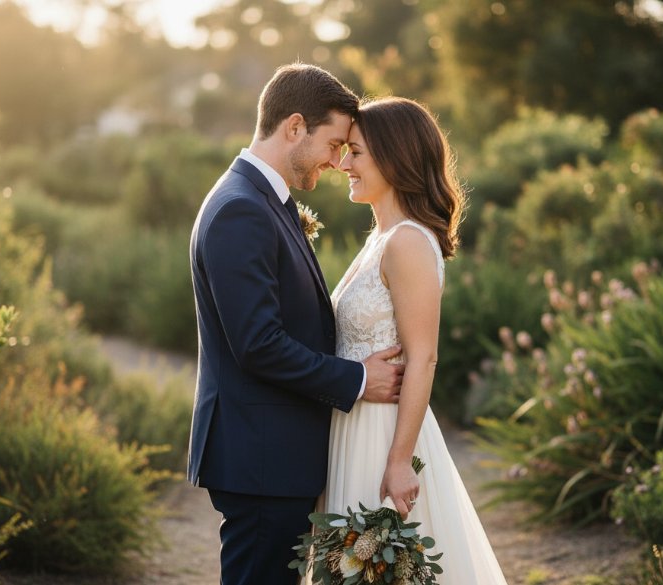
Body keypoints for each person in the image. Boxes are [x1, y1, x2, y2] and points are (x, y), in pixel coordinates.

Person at [187, 63, 405, 585]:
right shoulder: (241, 209)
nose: (336, 161)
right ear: (294, 127)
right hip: (262, 456)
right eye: (333, 144)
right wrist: (356, 380)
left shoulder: (264, 202)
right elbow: (258, 344)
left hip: (273, 453)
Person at [320, 96, 508, 583]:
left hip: (385, 436)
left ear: (393, 157)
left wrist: (400, 462)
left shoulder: (407, 241)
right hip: (352, 427)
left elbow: (423, 358)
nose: (343, 164)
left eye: (356, 153)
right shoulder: (378, 239)